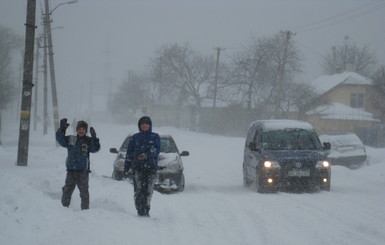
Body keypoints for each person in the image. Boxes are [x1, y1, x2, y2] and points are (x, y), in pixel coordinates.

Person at [56, 118, 100, 210]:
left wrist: (95, 138)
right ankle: (63, 209)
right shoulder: (71, 139)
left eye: (83, 129)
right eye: (79, 129)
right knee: (67, 191)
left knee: (84, 193)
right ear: (76, 130)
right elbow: (60, 140)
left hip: (83, 172)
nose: (81, 131)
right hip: (71, 171)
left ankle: (85, 211)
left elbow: (95, 149)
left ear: (86, 131)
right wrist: (62, 129)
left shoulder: (88, 140)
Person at [125, 116, 160, 217]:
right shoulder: (135, 137)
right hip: (138, 168)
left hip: (151, 168)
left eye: (146, 123)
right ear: (140, 125)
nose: (144, 125)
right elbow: (129, 153)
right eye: (142, 123)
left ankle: (146, 209)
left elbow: (156, 150)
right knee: (139, 190)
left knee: (149, 190)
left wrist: (146, 155)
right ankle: (140, 210)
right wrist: (127, 165)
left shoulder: (155, 137)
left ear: (150, 125)